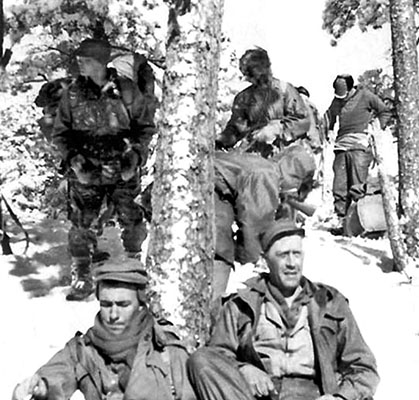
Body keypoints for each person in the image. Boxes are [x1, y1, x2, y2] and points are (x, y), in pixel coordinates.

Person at [187, 219, 379, 400]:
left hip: (313, 394)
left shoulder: (329, 302)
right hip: (259, 396)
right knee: (201, 359)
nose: (291, 264)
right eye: (282, 255)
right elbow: (218, 356)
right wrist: (244, 369)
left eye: (296, 254)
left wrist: (340, 397)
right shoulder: (243, 304)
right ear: (265, 260)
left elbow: (364, 368)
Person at [51, 38, 156, 300]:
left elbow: (144, 129)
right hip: (86, 169)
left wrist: (134, 158)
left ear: (100, 62)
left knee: (131, 217)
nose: (80, 63)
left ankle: (133, 265)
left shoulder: (127, 90)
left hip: (121, 167)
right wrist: (75, 160)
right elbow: (61, 134)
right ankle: (82, 273)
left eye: (85, 60)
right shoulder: (73, 93)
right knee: (80, 221)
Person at [12, 262, 196, 400]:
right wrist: (42, 386)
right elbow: (58, 372)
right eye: (106, 305)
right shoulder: (84, 349)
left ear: (140, 305)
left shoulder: (166, 350)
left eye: (123, 305)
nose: (113, 314)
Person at [325, 74, 391, 234]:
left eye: (344, 94)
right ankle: (343, 222)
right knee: (339, 186)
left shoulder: (365, 95)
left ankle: (362, 223)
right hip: (341, 146)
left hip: (360, 145)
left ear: (351, 89)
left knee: (357, 185)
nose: (341, 98)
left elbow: (384, 111)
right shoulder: (337, 101)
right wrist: (328, 129)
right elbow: (329, 116)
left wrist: (376, 128)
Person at [216, 48, 310, 158]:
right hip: (256, 159)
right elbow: (236, 128)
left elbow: (303, 122)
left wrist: (276, 129)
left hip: (285, 159)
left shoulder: (285, 91)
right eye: (250, 76)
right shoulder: (244, 98)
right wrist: (221, 141)